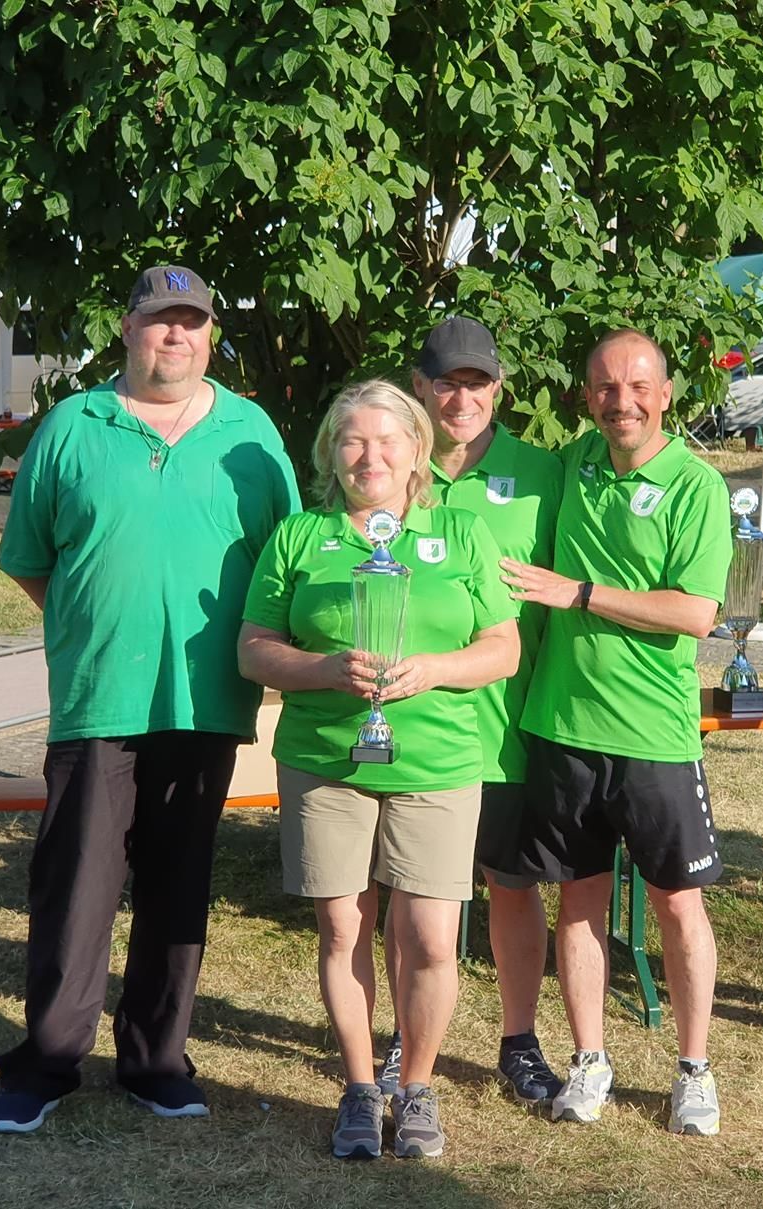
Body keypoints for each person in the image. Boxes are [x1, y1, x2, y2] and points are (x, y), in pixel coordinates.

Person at [0, 264, 299, 1133]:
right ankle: (48, 1061)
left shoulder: (250, 433)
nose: (176, 335)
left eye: (192, 322)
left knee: (177, 884)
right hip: (100, 697)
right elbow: (30, 558)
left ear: (210, 336)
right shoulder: (73, 425)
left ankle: (156, 1058)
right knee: (76, 885)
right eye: (161, 320)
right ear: (127, 329)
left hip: (206, 700)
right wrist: (90, 623)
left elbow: (287, 562)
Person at [237, 380, 519, 1160]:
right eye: (354, 441)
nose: (371, 456)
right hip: (325, 759)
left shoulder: (460, 532)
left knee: (431, 936)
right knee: (342, 927)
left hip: (439, 760)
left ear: (417, 449)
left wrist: (435, 669)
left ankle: (416, 1087)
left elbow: (503, 647)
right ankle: (361, 1088)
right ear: (331, 452)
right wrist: (323, 668)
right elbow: (253, 648)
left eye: (388, 439)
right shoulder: (300, 536)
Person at [502, 328, 732, 1136]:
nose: (621, 401)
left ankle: (694, 1069)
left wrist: (581, 592)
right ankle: (590, 1059)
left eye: (638, 386)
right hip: (563, 725)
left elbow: (695, 612)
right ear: (586, 396)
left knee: (677, 905)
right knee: (579, 903)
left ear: (666, 395)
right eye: (605, 386)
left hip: (654, 736)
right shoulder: (572, 464)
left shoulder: (696, 486)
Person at [374, 316, 564, 1111]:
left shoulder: (544, 473)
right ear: (419, 386)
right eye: (446, 382)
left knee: (513, 886)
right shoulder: (390, 468)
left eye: (477, 382)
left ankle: (520, 1040)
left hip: (506, 725)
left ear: (499, 389)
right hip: (415, 728)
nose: (462, 398)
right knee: (411, 895)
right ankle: (404, 1037)